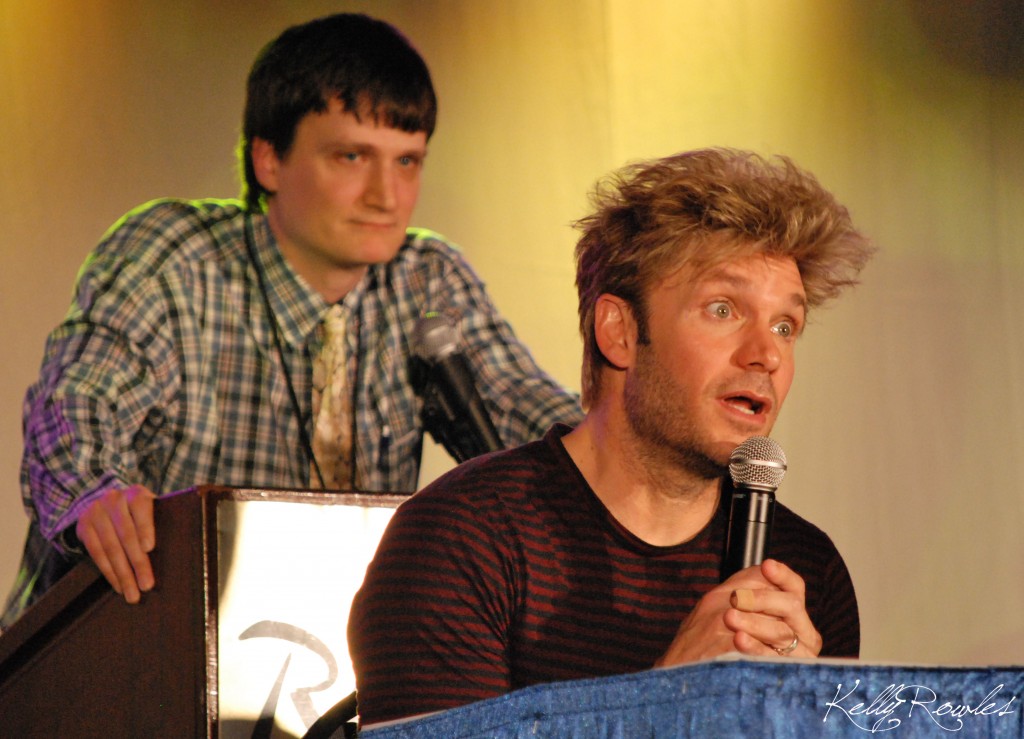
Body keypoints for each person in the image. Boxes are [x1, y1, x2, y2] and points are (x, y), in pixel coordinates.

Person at [1, 13, 582, 629]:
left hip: (318, 676)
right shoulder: (175, 255)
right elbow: (75, 406)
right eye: (352, 156)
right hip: (115, 665)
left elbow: (534, 419)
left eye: (408, 162)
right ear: (268, 160)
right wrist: (95, 493)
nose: (386, 196)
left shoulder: (428, 277)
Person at [348, 147, 875, 726]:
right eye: (723, 309)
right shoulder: (463, 541)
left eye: (785, 326)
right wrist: (669, 701)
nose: (767, 355)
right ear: (619, 332)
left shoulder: (805, 570)